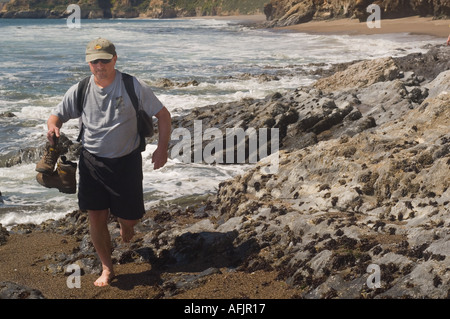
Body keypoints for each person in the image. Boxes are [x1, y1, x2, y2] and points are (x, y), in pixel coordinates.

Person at [46, 38, 172, 287]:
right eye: (94, 61)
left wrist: (162, 149)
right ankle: (107, 268)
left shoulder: (132, 85)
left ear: (115, 59)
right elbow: (56, 115)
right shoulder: (80, 89)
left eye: (104, 59)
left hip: (126, 162)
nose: (99, 65)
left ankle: (126, 224)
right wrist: (53, 127)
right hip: (92, 162)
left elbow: (163, 115)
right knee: (96, 216)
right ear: (88, 63)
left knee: (130, 217)